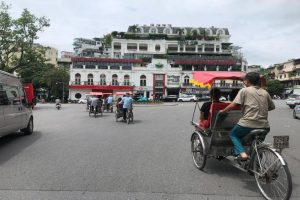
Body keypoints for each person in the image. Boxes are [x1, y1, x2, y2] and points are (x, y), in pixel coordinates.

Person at [219, 72, 275, 160]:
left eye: (244, 80)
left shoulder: (244, 90)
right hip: (265, 126)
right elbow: (272, 107)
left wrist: (223, 111)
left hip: (247, 124)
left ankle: (242, 153)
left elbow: (233, 105)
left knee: (233, 134)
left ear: (247, 81)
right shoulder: (265, 92)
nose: (244, 82)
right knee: (256, 144)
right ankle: (255, 161)